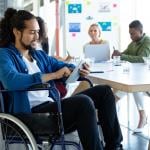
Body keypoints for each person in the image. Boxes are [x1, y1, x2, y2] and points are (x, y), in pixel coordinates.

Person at [0, 8, 123, 150]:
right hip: (32, 115)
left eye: (38, 31)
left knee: (105, 92)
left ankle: (114, 147)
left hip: (52, 108)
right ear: (17, 32)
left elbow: (62, 65)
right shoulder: (5, 55)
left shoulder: (39, 55)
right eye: (32, 32)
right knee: (83, 103)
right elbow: (11, 81)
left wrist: (77, 69)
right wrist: (53, 75)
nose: (37, 36)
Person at [112, 20, 150, 132]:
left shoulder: (147, 42)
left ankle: (142, 117)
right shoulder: (133, 43)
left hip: (146, 80)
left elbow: (142, 59)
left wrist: (122, 56)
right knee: (131, 84)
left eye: (133, 33)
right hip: (138, 79)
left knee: (133, 86)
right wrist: (118, 55)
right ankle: (142, 116)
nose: (130, 36)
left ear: (141, 31)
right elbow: (125, 54)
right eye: (129, 33)